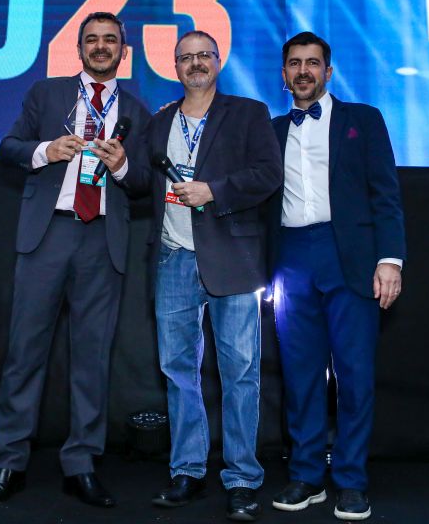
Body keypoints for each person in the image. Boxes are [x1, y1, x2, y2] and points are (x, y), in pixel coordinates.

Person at [0, 12, 151, 508]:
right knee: (25, 351)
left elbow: (144, 184)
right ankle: (10, 461)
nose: (101, 47)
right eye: (92, 40)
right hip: (48, 233)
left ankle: (81, 464)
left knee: (92, 359)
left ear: (123, 51)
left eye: (110, 40)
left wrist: (122, 167)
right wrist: (46, 150)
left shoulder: (136, 110)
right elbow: (8, 147)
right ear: (79, 49)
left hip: (103, 239)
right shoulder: (46, 94)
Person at [266, 32, 405, 521]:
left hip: (351, 256)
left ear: (328, 71)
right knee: (300, 374)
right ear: (284, 75)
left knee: (354, 373)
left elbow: (386, 193)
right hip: (290, 258)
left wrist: (390, 260)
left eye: (312, 63)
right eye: (294, 63)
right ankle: (306, 474)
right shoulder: (270, 130)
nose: (303, 71)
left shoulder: (363, 120)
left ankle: (350, 479)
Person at [145, 31, 283, 521]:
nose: (196, 63)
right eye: (186, 57)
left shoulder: (248, 113)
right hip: (173, 257)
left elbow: (269, 174)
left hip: (233, 259)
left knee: (241, 372)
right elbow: (143, 183)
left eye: (204, 55)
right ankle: (187, 470)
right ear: (175, 67)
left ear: (218, 61)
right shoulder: (160, 121)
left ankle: (242, 478)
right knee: (178, 371)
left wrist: (214, 191)